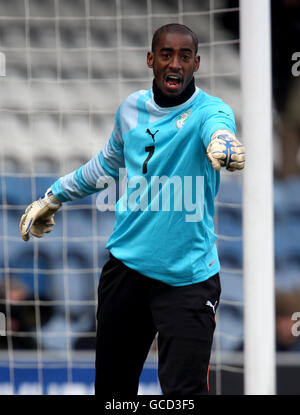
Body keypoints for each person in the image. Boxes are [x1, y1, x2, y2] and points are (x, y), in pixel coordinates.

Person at [19, 24, 245, 396]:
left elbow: (219, 130)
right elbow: (107, 165)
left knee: (184, 394)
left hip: (187, 281)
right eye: (167, 55)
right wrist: (53, 196)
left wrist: (223, 141)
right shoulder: (130, 109)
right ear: (150, 59)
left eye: (185, 56)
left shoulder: (211, 112)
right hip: (126, 273)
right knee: (112, 392)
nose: (175, 64)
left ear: (197, 63)